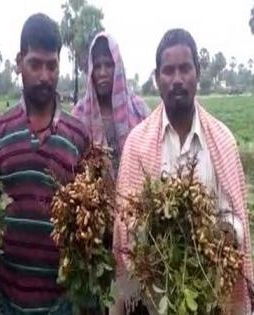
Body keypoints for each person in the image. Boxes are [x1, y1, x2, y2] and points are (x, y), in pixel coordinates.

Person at [113, 28, 253, 315]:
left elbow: (235, 219)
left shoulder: (222, 141)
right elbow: (125, 229)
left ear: (197, 73)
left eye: (185, 69)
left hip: (210, 296)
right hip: (152, 299)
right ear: (157, 78)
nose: (177, 79)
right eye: (168, 71)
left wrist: (221, 232)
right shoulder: (137, 143)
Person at [0, 13, 89, 314]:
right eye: (35, 64)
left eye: (52, 65)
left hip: (61, 301)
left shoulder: (79, 136)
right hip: (6, 299)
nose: (44, 75)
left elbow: (91, 218)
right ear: (19, 62)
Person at [73, 32, 149, 175]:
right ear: (91, 71)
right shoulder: (79, 115)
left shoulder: (140, 111)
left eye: (108, 65)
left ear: (118, 67)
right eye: (97, 66)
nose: (102, 73)